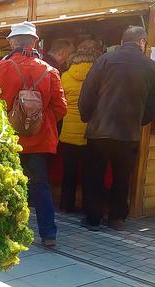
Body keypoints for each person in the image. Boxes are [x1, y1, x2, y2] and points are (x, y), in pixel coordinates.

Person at [0, 21, 67, 248]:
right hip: (39, 140)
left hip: (8, 138)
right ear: (35, 42)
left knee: (7, 184)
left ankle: (8, 231)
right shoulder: (50, 71)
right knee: (40, 185)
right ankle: (48, 234)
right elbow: (61, 108)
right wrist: (38, 122)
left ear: (12, 42)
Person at [78, 26, 155, 231]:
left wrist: (87, 116)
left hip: (99, 130)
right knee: (122, 177)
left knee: (94, 175)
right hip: (128, 132)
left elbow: (87, 93)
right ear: (142, 42)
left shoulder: (104, 60)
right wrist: (139, 121)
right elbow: (154, 105)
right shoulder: (152, 67)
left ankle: (93, 218)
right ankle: (117, 218)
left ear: (122, 41)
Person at [59, 40, 101, 214]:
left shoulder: (65, 76)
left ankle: (66, 205)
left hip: (68, 132)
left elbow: (61, 105)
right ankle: (87, 207)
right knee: (89, 174)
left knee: (69, 172)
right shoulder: (99, 77)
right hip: (90, 132)